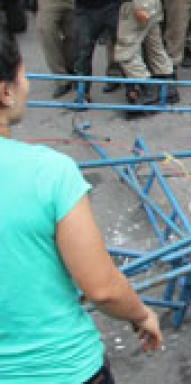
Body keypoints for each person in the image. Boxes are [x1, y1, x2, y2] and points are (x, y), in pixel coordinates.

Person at [0, 34, 163, 382]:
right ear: (5, 91)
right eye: (24, 76)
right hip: (61, 367)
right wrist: (140, 314)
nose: (27, 86)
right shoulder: (50, 172)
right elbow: (101, 287)